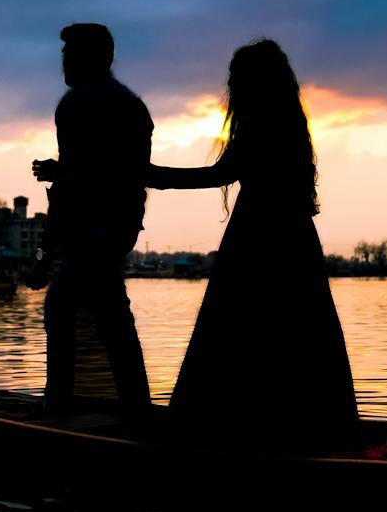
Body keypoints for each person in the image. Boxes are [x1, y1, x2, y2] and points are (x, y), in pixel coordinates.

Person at [143, 39, 358, 450]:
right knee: (299, 337)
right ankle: (309, 430)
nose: (230, 87)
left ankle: (232, 432)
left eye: (235, 79)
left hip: (256, 243)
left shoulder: (259, 123)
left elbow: (218, 174)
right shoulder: (292, 124)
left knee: (239, 335)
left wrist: (152, 174)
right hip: (294, 244)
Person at [28, 23, 154, 417]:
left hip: (95, 231)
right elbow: (118, 173)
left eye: (71, 54)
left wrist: (44, 251)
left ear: (97, 58)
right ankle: (132, 407)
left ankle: (61, 407)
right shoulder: (131, 105)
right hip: (117, 228)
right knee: (102, 313)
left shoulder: (75, 105)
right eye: (63, 54)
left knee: (71, 309)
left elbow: (80, 182)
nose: (64, 62)